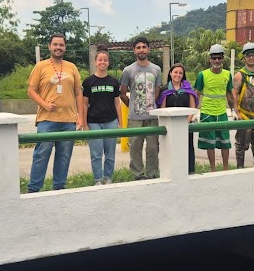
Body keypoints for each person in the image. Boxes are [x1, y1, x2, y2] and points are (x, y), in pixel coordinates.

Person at [26, 33, 84, 193]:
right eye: (55, 44)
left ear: (65, 47)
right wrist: (44, 104)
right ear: (49, 46)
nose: (58, 47)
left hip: (68, 120)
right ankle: (34, 189)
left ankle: (59, 188)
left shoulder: (72, 67)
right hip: (47, 119)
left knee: (64, 156)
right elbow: (31, 91)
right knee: (41, 154)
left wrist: (80, 117)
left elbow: (78, 93)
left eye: (61, 45)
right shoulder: (41, 66)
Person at [120, 36, 163, 180]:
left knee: (153, 147)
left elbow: (157, 90)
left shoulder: (156, 69)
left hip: (152, 116)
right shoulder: (128, 70)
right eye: (138, 47)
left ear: (149, 49)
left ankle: (152, 173)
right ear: (134, 50)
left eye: (144, 47)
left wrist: (151, 105)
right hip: (135, 116)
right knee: (135, 147)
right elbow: (122, 93)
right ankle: (138, 174)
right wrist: (132, 105)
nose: (141, 50)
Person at [82, 47, 122, 185]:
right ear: (95, 62)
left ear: (108, 62)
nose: (102, 62)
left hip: (111, 121)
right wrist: (84, 124)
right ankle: (98, 179)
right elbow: (84, 104)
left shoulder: (113, 82)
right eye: (100, 60)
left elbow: (117, 104)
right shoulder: (88, 82)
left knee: (110, 153)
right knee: (96, 154)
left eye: (105, 60)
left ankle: (108, 177)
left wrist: (121, 123)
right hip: (94, 122)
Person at [194, 44, 235, 171]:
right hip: (207, 113)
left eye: (219, 58)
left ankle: (226, 168)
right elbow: (196, 94)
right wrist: (194, 112)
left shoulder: (227, 75)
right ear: (210, 59)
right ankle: (213, 169)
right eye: (214, 58)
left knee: (225, 142)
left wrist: (233, 110)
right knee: (209, 143)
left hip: (222, 113)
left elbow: (230, 94)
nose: (217, 61)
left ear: (223, 59)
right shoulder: (203, 75)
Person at [158, 62, 198, 174]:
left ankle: (189, 171)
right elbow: (162, 108)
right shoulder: (164, 89)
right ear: (170, 73)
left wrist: (187, 121)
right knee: (170, 149)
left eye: (180, 73)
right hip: (170, 126)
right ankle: (171, 172)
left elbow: (192, 106)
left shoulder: (188, 88)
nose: (178, 75)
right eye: (175, 72)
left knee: (187, 148)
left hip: (186, 125)